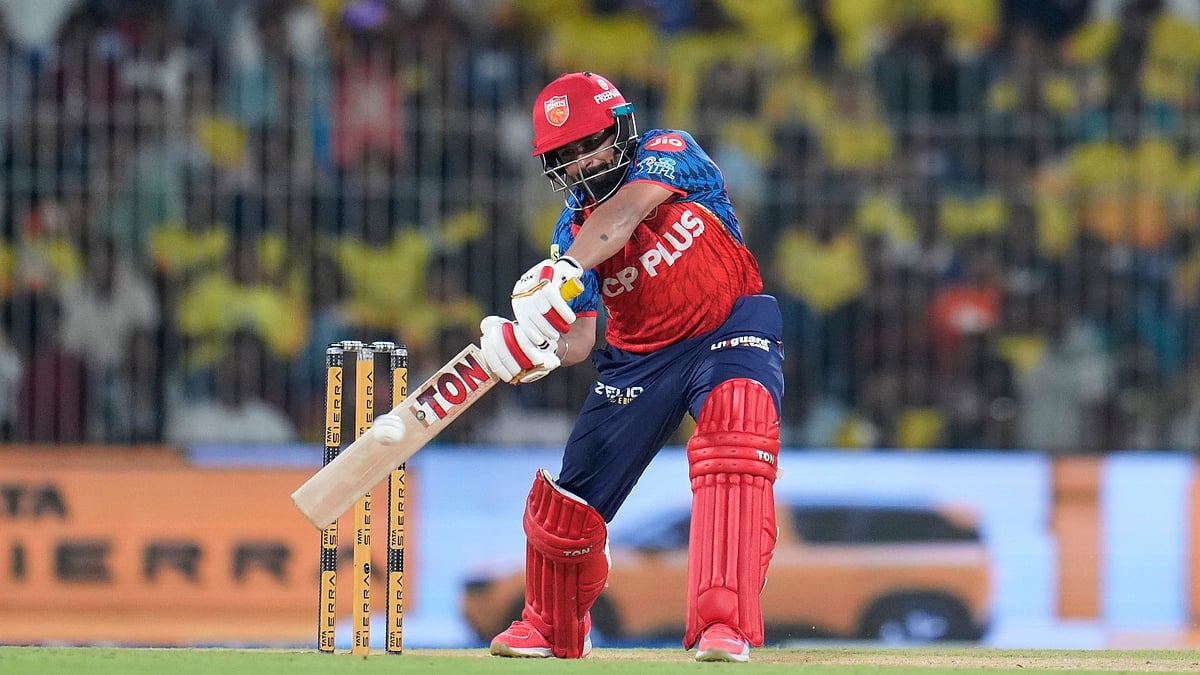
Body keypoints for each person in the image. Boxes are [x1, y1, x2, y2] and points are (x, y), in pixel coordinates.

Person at [478, 71, 785, 663]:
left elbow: (620, 218)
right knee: (568, 505)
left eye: (591, 143)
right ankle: (550, 627)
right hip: (638, 362)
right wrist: (532, 352)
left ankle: (724, 624)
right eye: (565, 156)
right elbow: (584, 336)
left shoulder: (671, 152)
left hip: (729, 326)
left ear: (622, 130)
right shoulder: (569, 232)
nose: (581, 164)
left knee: (735, 436)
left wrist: (561, 272)